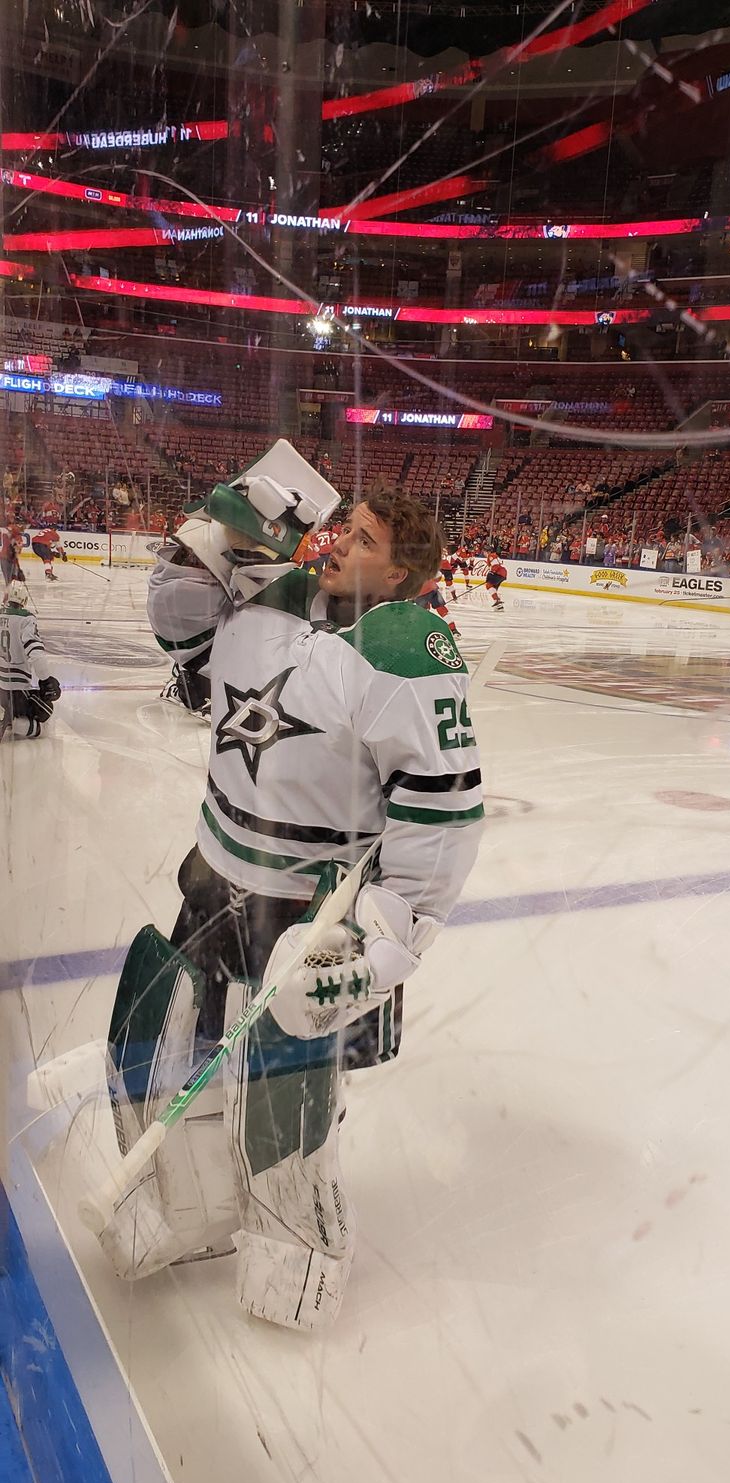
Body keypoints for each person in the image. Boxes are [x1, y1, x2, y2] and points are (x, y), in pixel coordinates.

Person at [87, 442, 483, 1331]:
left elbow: (440, 827)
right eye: (348, 525)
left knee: (284, 1103)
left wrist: (375, 950)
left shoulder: (406, 651)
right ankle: (182, 1217)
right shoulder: (267, 601)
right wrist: (221, 528)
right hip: (211, 875)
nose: (344, 540)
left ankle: (293, 1265)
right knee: (155, 1044)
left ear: (406, 572)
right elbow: (179, 628)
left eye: (368, 539)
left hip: (300, 908)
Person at [0, 580, 61, 740]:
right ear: (24, 600)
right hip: (17, 690)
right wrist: (46, 679)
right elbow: (35, 652)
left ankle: (4, 714)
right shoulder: (26, 619)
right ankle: (13, 722)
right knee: (46, 713)